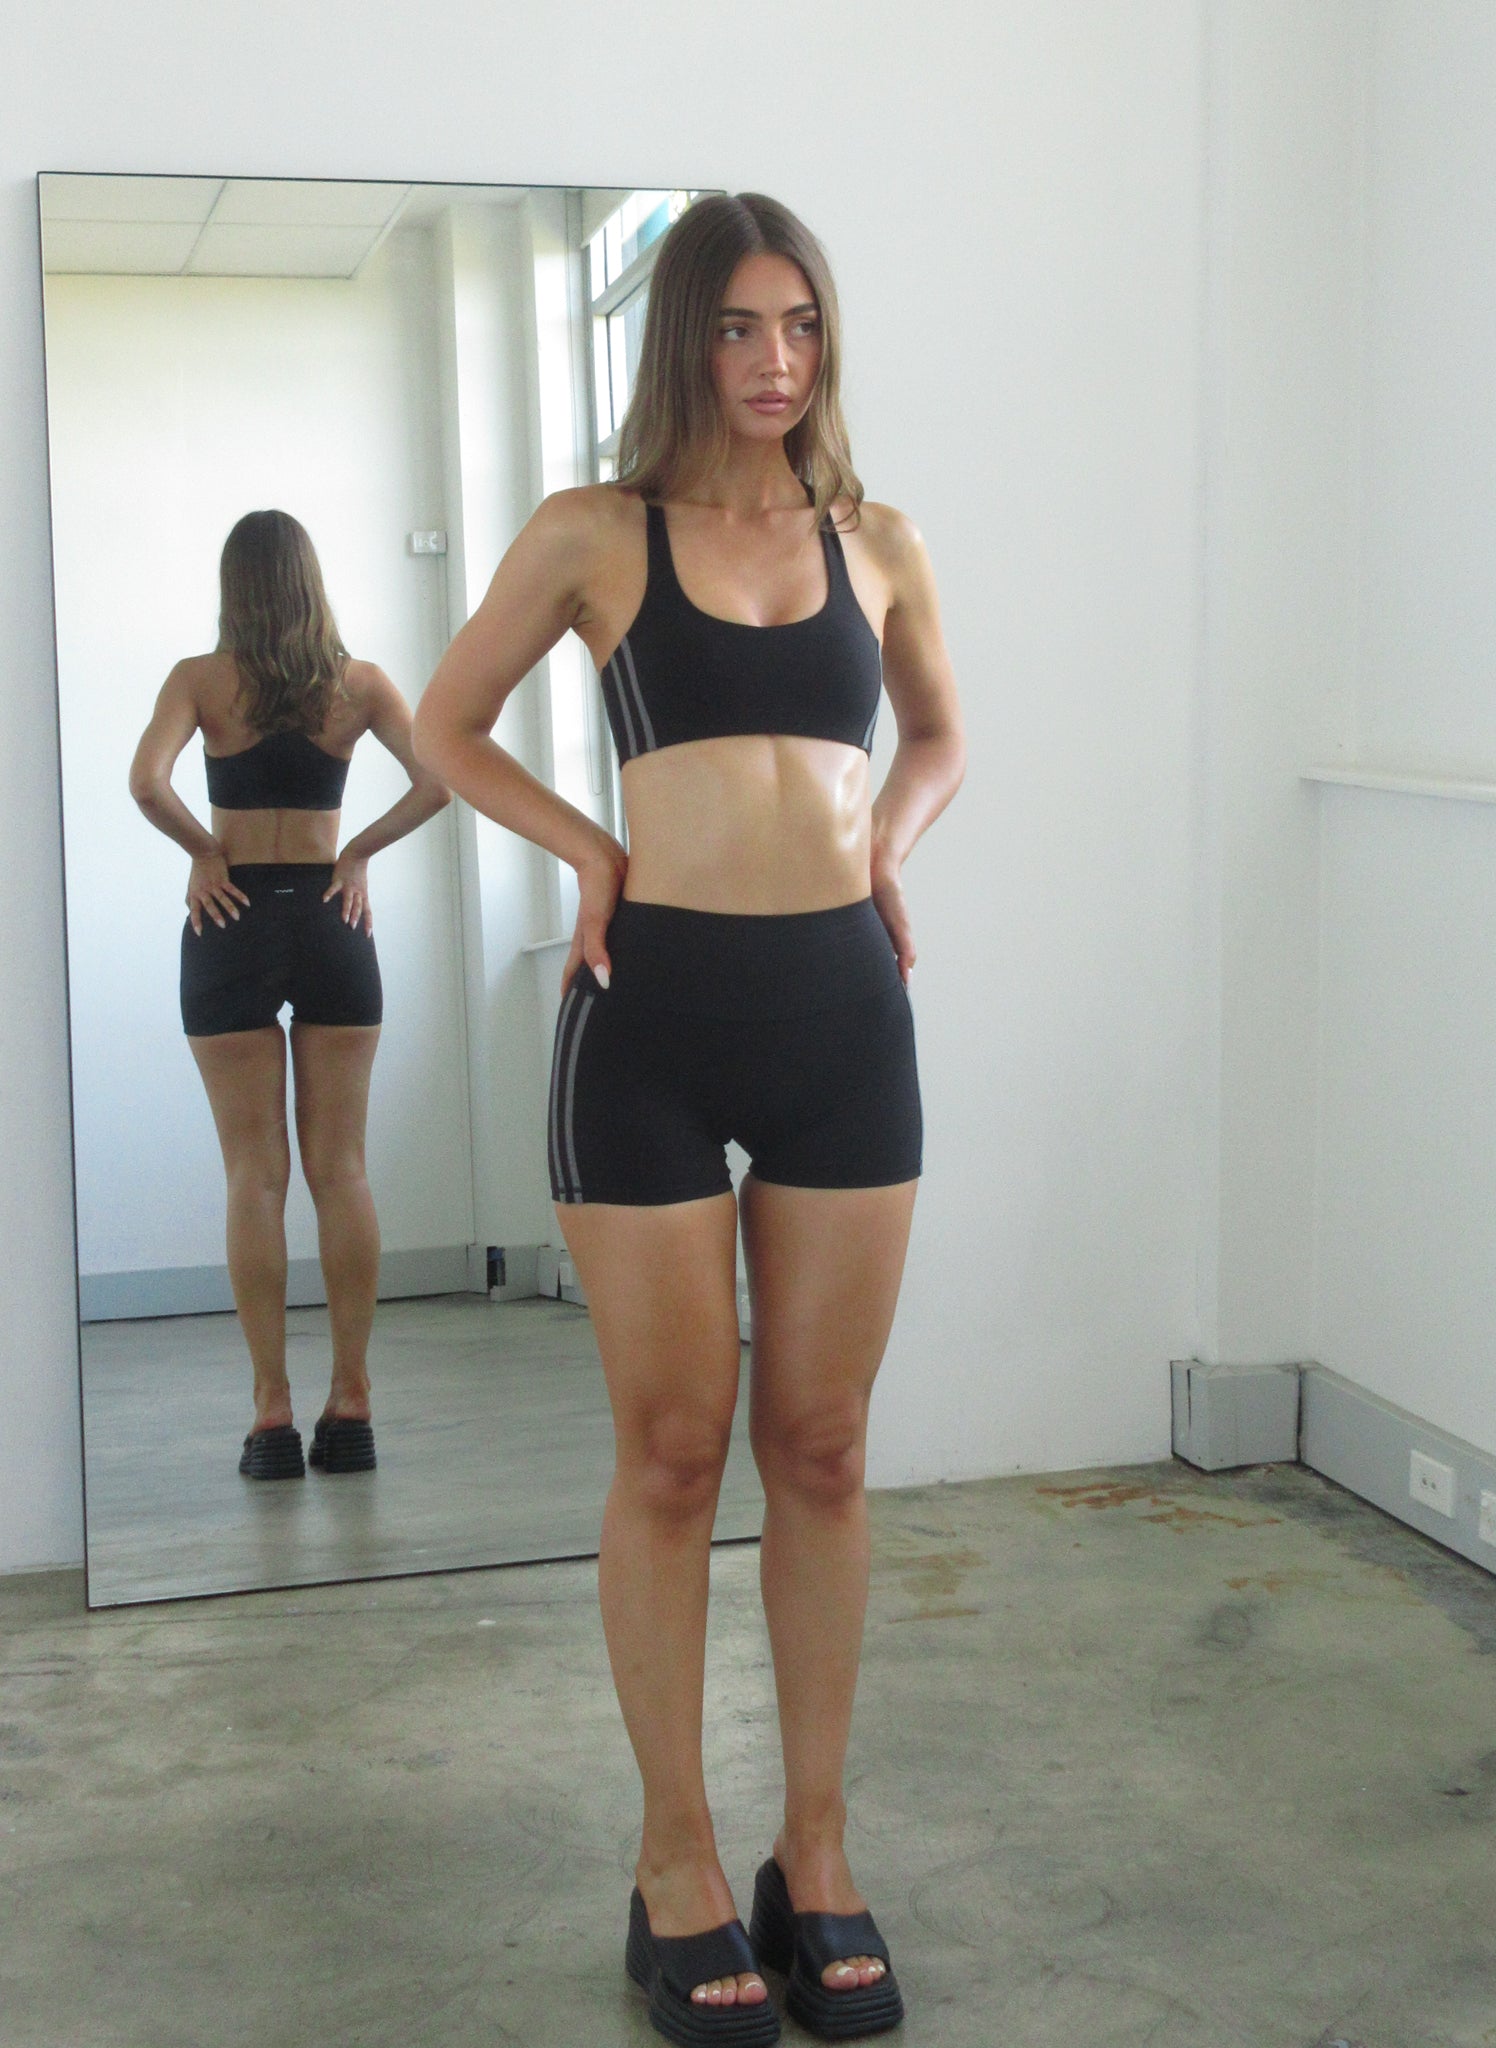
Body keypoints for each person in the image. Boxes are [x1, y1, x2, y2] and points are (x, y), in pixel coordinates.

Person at [414, 193, 963, 2045]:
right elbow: (446, 724)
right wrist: (588, 850)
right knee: (670, 1450)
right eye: (737, 326)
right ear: (683, 343)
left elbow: (941, 734)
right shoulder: (596, 531)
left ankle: (818, 1847)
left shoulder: (877, 540)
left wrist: (887, 845)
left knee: (823, 1445)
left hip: (842, 1023)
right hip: (645, 1023)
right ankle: (676, 1866)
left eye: (798, 322)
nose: (774, 360)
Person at [128, 509, 450, 1481]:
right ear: (310, 581)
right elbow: (438, 780)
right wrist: (356, 853)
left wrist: (204, 850)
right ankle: (350, 1403)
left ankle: (271, 1415)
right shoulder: (358, 684)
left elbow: (145, 782)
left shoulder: (200, 680)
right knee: (341, 1170)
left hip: (228, 918)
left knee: (253, 1177)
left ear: (236, 586)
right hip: (327, 917)